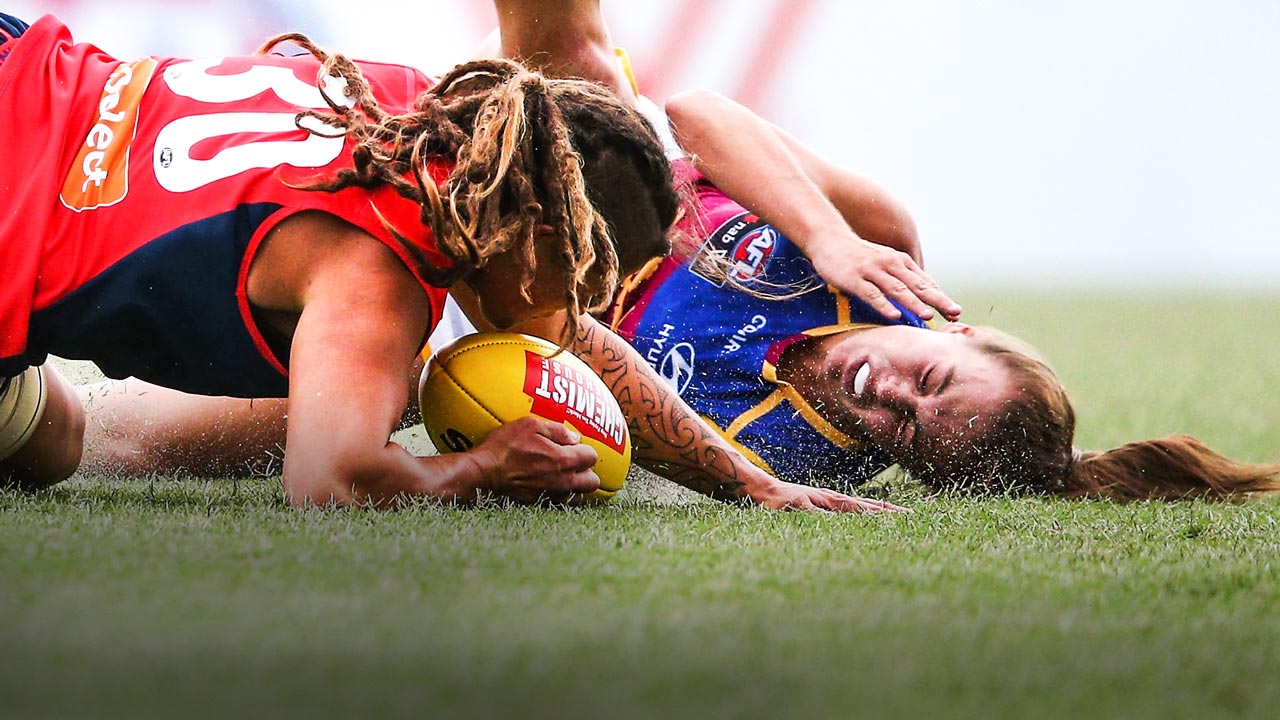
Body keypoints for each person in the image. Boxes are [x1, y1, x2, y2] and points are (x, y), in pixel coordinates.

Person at [75, 2, 1280, 503]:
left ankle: (51, 421)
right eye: (933, 379)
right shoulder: (882, 256)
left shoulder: (809, 456)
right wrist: (821, 231)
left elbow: (600, 411)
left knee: (182, 443)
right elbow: (697, 119)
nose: (893, 400)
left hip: (499, 310)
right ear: (955, 332)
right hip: (574, 175)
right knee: (582, 68)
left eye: (914, 435)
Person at [0, 11, 900, 512]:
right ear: (539, 239)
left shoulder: (424, 112)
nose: (584, 305)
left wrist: (748, 483)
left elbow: (570, 338)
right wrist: (475, 468)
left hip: (26, 63)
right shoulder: (374, 285)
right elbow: (329, 484)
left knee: (53, 444)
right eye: (583, 275)